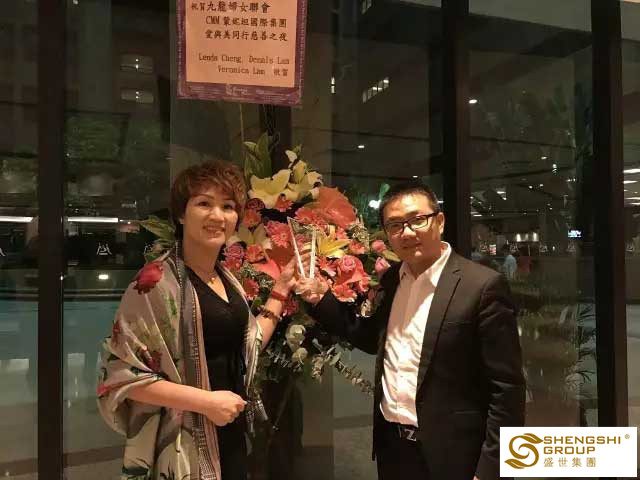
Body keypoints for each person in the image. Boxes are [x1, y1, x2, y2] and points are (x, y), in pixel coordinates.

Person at [295, 181, 525, 480]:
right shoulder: (391, 281)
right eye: (395, 225)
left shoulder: (481, 286)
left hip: (456, 455)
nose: (407, 232)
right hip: (393, 449)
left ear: (439, 221)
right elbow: (370, 337)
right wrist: (320, 299)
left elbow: (506, 389)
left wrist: (491, 469)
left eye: (417, 220)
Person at [97, 161, 296, 480]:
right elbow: (123, 375)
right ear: (181, 214)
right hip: (184, 442)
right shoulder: (155, 282)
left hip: (230, 430)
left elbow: (247, 345)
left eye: (227, 207)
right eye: (204, 203)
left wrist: (280, 292)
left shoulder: (225, 278)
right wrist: (206, 403)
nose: (218, 216)